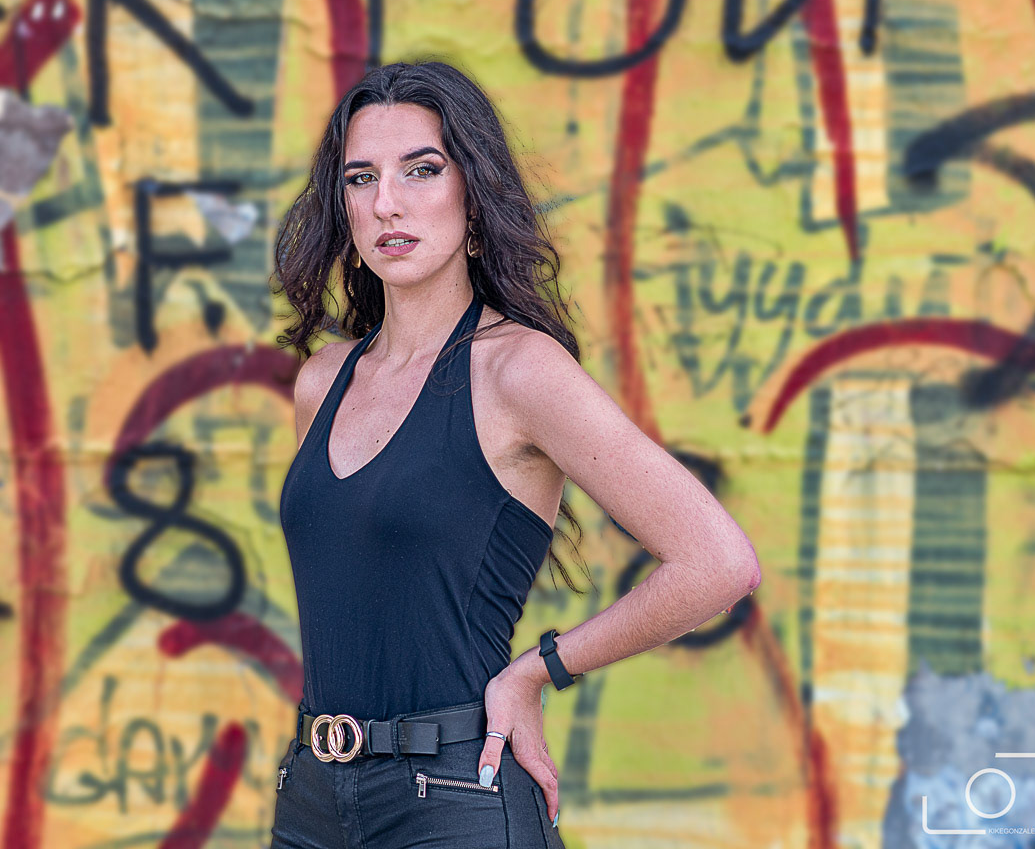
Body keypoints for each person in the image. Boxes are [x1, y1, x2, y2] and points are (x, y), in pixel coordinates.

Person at [268, 59, 760, 849]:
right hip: (311, 802)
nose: (387, 201)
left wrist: (539, 670)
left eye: (422, 170)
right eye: (361, 178)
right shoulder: (322, 382)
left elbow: (718, 562)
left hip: (455, 796)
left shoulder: (519, 371)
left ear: (473, 198)